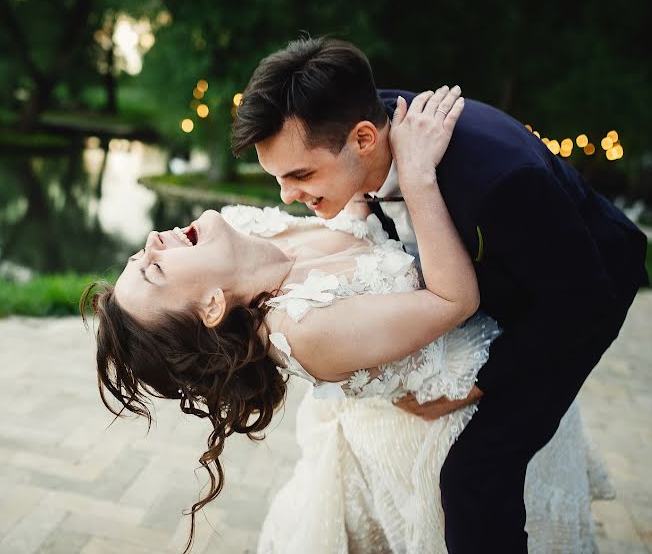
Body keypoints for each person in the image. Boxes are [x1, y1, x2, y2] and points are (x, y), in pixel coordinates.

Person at [82, 89, 613, 553]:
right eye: (154, 270)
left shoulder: (240, 229)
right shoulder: (307, 329)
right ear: (213, 306)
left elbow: (351, 215)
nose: (152, 242)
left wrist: (365, 155)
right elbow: (454, 301)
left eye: (139, 256)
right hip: (458, 411)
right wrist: (419, 173)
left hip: (513, 344)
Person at [230, 37, 649, 553]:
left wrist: (476, 385)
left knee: (474, 475)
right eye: (278, 178)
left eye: (301, 175)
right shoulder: (357, 124)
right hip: (508, 274)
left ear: (364, 139)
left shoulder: (498, 180)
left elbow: (580, 303)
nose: (287, 196)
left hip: (583, 293)